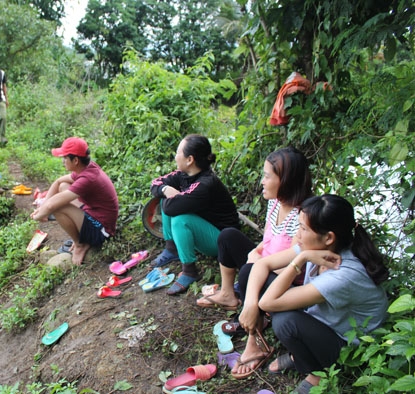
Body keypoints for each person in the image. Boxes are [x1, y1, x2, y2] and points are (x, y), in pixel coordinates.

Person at [234, 195, 388, 394]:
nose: (297, 235)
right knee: (249, 272)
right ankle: (278, 350)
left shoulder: (342, 274)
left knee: (286, 322)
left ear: (329, 237)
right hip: (324, 320)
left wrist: (302, 258)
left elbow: (268, 302)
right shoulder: (319, 244)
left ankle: (317, 373)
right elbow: (262, 264)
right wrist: (249, 305)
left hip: (348, 344)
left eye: (303, 229)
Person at [197, 147, 312, 309]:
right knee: (228, 236)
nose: (262, 182)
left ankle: (252, 314)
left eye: (267, 176)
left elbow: (293, 269)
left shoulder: (302, 217)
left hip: (284, 280)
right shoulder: (275, 202)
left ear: (286, 181)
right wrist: (256, 252)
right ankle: (227, 294)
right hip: (263, 264)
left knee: (248, 271)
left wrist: (259, 266)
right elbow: (267, 240)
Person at [149, 134, 240, 295]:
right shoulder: (183, 175)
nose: (175, 156)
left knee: (180, 219)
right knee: (166, 198)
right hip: (204, 227)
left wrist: (170, 194)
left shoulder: (205, 184)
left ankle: (190, 271)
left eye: (178, 152)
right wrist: (165, 189)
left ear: (189, 159)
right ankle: (172, 250)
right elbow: (155, 184)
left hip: (221, 240)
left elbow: (171, 209)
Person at [30, 137, 119, 265]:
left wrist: (39, 215)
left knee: (58, 207)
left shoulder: (88, 178)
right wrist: (42, 208)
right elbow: (58, 181)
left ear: (75, 160)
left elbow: (51, 205)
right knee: (63, 186)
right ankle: (82, 237)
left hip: (102, 230)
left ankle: (79, 244)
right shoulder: (86, 168)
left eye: (65, 158)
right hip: (94, 213)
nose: (63, 161)